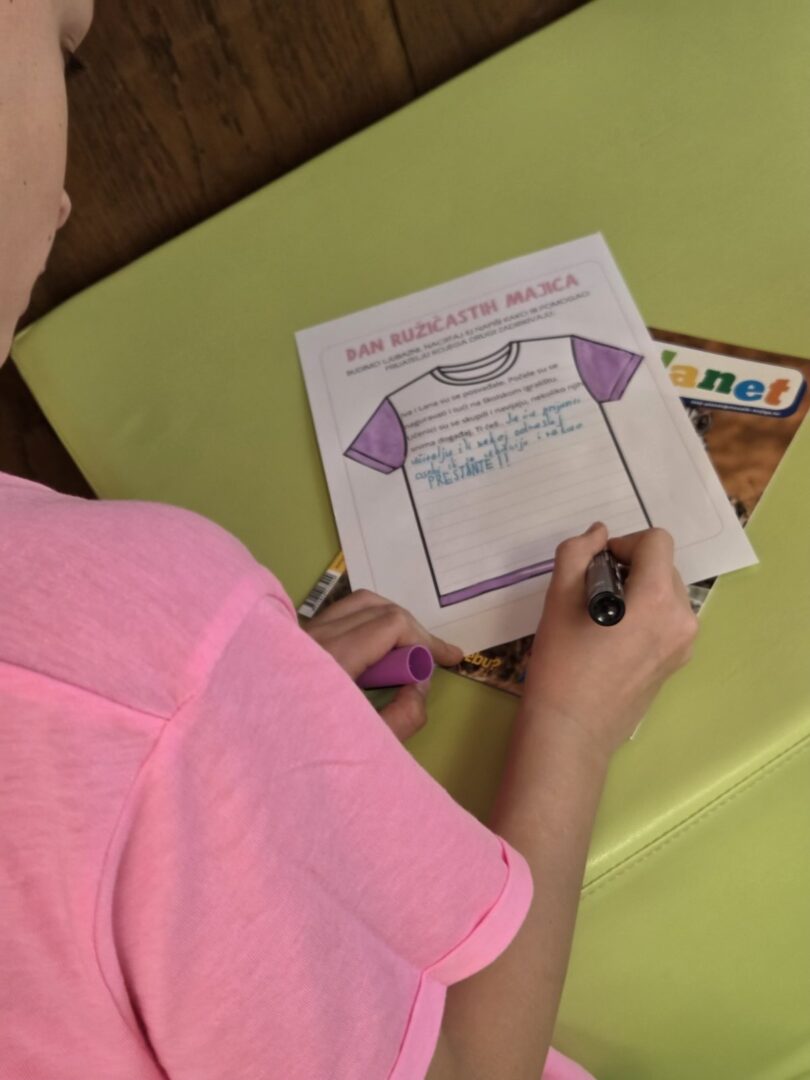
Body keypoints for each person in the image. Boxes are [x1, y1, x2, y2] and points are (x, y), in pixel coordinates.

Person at [0, 3, 699, 1078]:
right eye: (58, 49)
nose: (63, 200)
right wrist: (573, 723)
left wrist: (231, 736)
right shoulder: (129, 631)